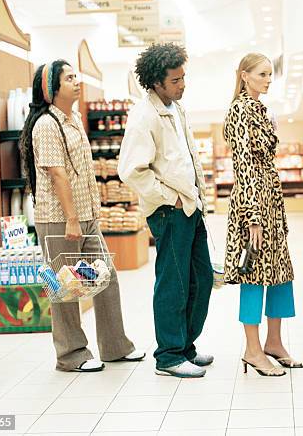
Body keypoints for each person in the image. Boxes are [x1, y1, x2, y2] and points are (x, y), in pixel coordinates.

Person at [20, 60, 144, 372]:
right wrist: (73, 219)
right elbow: (58, 175)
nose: (77, 81)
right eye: (69, 78)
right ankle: (71, 354)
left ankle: (115, 346)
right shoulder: (47, 124)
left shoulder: (72, 118)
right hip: (59, 219)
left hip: (84, 216)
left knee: (105, 277)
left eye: (76, 76)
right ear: (52, 88)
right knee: (63, 287)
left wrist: (88, 214)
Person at [118, 44, 213, 378]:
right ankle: (169, 356)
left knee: (200, 279)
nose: (182, 85)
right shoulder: (144, 116)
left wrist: (199, 197)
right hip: (169, 212)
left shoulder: (176, 109)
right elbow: (130, 169)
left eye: (183, 77)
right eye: (175, 80)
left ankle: (185, 346)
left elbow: (185, 157)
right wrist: (166, 198)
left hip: (191, 207)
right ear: (156, 82)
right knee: (173, 284)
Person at [223, 53, 300, 377]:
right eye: (263, 74)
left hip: (271, 202)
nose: (269, 79)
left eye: (270, 74)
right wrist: (252, 215)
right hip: (253, 205)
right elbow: (244, 165)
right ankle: (252, 350)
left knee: (281, 274)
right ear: (245, 75)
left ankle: (275, 342)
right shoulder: (240, 110)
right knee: (253, 276)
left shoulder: (260, 109)